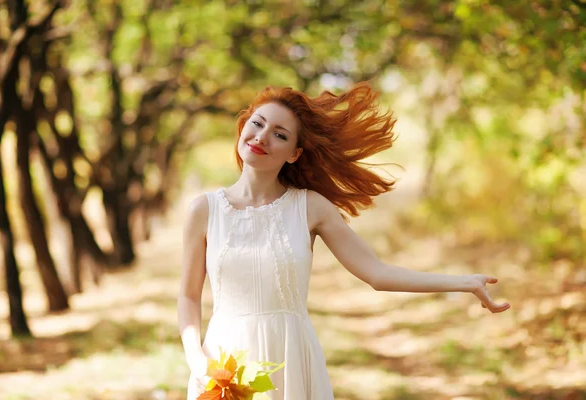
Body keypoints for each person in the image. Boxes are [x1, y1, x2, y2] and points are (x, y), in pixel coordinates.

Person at [177, 81, 511, 400]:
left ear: (294, 153)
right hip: (222, 365)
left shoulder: (310, 207)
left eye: (279, 134)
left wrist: (465, 283)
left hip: (291, 357)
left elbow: (377, 274)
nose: (262, 137)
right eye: (257, 123)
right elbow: (189, 297)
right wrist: (198, 361)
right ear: (243, 126)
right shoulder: (204, 210)